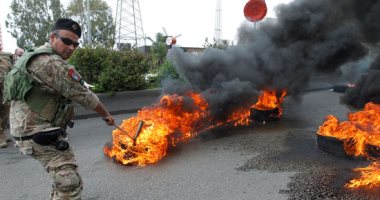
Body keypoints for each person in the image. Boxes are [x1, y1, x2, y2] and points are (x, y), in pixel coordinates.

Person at [3, 18, 115, 199]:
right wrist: (107, 115)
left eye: (75, 44)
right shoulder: (51, 63)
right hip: (37, 131)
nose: (71, 47)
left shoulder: (36, 54)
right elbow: (84, 95)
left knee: (61, 182)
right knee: (68, 183)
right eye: (67, 41)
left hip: (28, 129)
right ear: (52, 37)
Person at [0, 55, 12, 148]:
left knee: (5, 114)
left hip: (5, 93)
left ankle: (2, 132)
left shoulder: (5, 61)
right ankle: (0, 136)